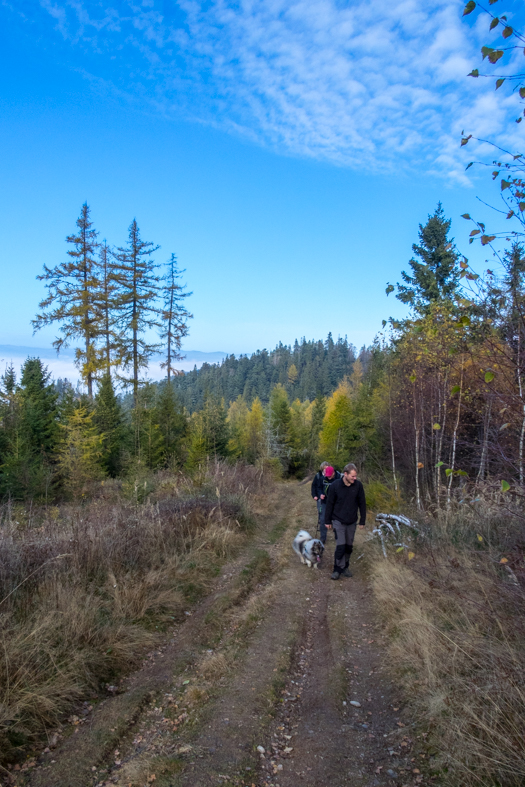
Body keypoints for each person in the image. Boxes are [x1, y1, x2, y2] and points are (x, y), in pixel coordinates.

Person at [324, 462, 366, 580]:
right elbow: (330, 504)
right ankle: (337, 569)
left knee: (348, 547)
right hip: (338, 521)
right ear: (345, 474)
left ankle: (345, 566)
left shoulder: (358, 486)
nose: (355, 478)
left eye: (355, 476)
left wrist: (362, 520)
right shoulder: (335, 486)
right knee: (341, 546)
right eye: (352, 476)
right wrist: (327, 521)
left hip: (352, 521)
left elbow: (362, 503)